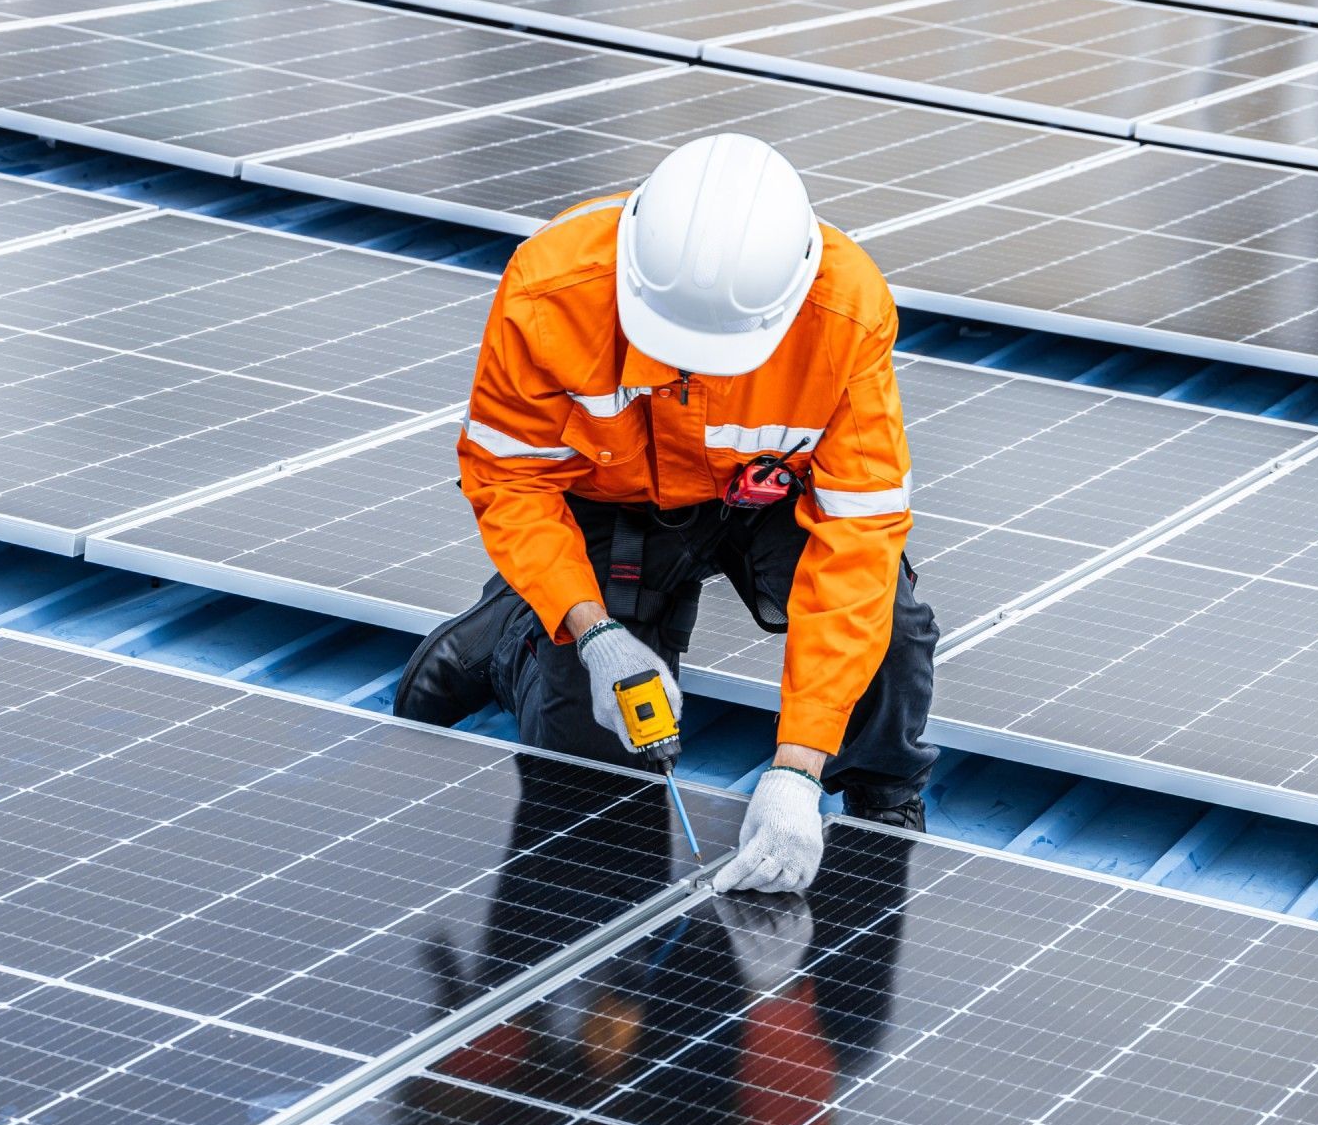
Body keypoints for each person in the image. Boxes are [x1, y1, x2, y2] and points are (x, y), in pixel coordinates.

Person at [393, 132, 937, 895]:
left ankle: (883, 803)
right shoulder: (549, 291)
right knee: (593, 782)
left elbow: (859, 538)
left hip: (763, 500)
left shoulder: (844, 311)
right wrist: (594, 630)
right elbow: (509, 480)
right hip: (613, 505)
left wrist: (799, 767)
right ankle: (519, 635)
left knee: (893, 631)